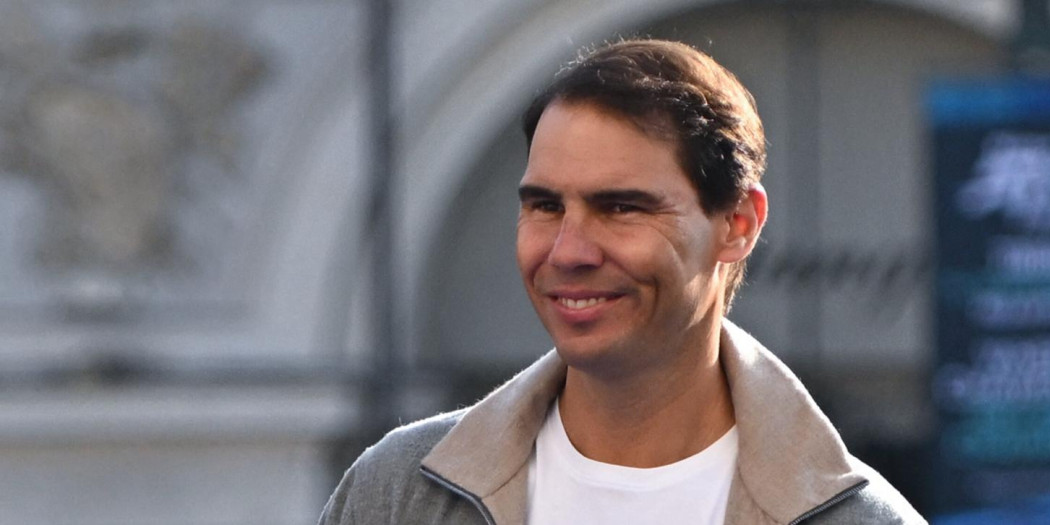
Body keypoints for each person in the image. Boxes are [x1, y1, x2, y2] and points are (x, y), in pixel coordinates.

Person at [319, 38, 924, 525]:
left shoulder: (859, 519)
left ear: (737, 224)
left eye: (621, 208)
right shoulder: (398, 495)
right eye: (545, 206)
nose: (569, 251)